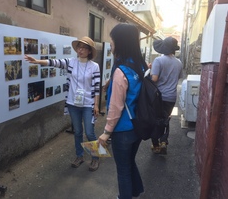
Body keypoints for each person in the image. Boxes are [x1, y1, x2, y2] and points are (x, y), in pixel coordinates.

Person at [24, 36, 101, 171]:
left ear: (89, 51)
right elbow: (54, 62)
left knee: (90, 132)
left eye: (84, 48)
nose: (80, 50)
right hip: (73, 103)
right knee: (77, 132)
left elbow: (96, 86)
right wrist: (37, 61)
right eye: (79, 47)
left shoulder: (94, 66)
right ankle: (79, 156)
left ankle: (95, 158)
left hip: (88, 103)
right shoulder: (71, 62)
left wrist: (96, 104)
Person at [98, 23, 148, 199]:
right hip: (138, 126)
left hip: (122, 130)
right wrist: (109, 83)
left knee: (123, 171)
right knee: (129, 162)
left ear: (121, 42)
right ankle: (136, 191)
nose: (111, 45)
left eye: (112, 41)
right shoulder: (141, 66)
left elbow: (116, 107)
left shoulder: (121, 71)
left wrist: (106, 132)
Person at [150, 36, 183, 154]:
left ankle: (156, 145)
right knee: (166, 119)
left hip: (159, 97)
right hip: (172, 97)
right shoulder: (179, 62)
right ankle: (164, 140)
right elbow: (178, 77)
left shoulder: (158, 60)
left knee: (155, 120)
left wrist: (150, 71)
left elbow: (154, 78)